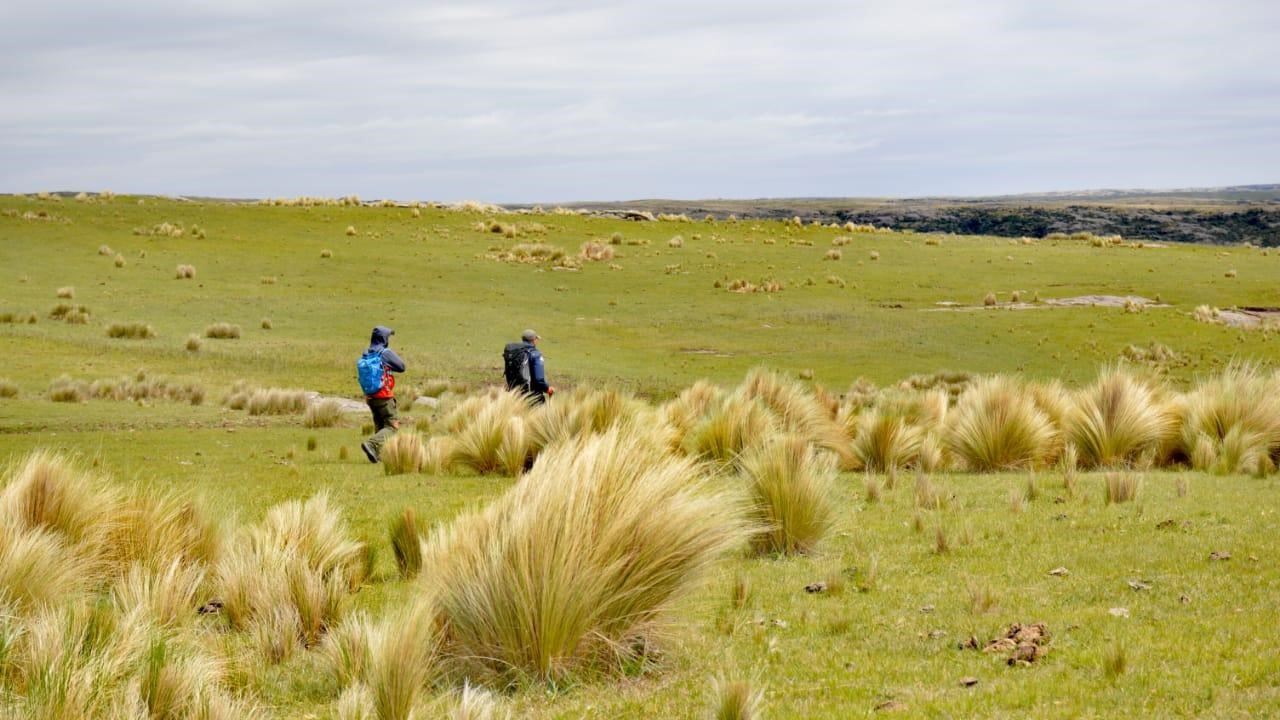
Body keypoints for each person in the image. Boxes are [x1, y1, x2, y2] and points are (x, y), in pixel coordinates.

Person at [357, 325, 406, 463]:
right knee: (391, 426)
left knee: (380, 426)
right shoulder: (385, 353)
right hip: (384, 396)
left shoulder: (366, 352)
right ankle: (371, 444)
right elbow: (402, 366)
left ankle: (377, 455)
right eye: (388, 336)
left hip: (371, 397)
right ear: (384, 338)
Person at [503, 329, 555, 403]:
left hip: (515, 395)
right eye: (536, 339)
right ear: (534, 340)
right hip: (532, 397)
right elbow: (539, 380)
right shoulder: (535, 354)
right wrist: (547, 389)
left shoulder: (516, 353)